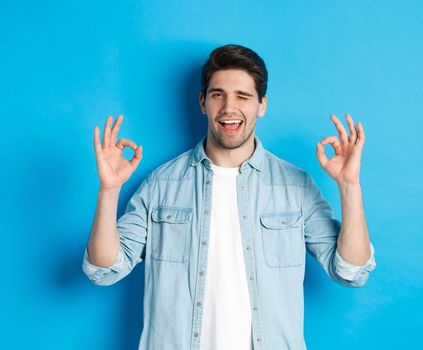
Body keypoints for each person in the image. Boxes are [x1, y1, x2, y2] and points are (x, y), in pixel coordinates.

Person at [83, 44, 376, 350]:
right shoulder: (161, 184)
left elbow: (350, 271)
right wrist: (108, 190)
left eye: (243, 96)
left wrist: (350, 185)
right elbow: (104, 270)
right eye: (218, 94)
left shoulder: (296, 187)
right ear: (202, 102)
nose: (228, 108)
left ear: (261, 104)